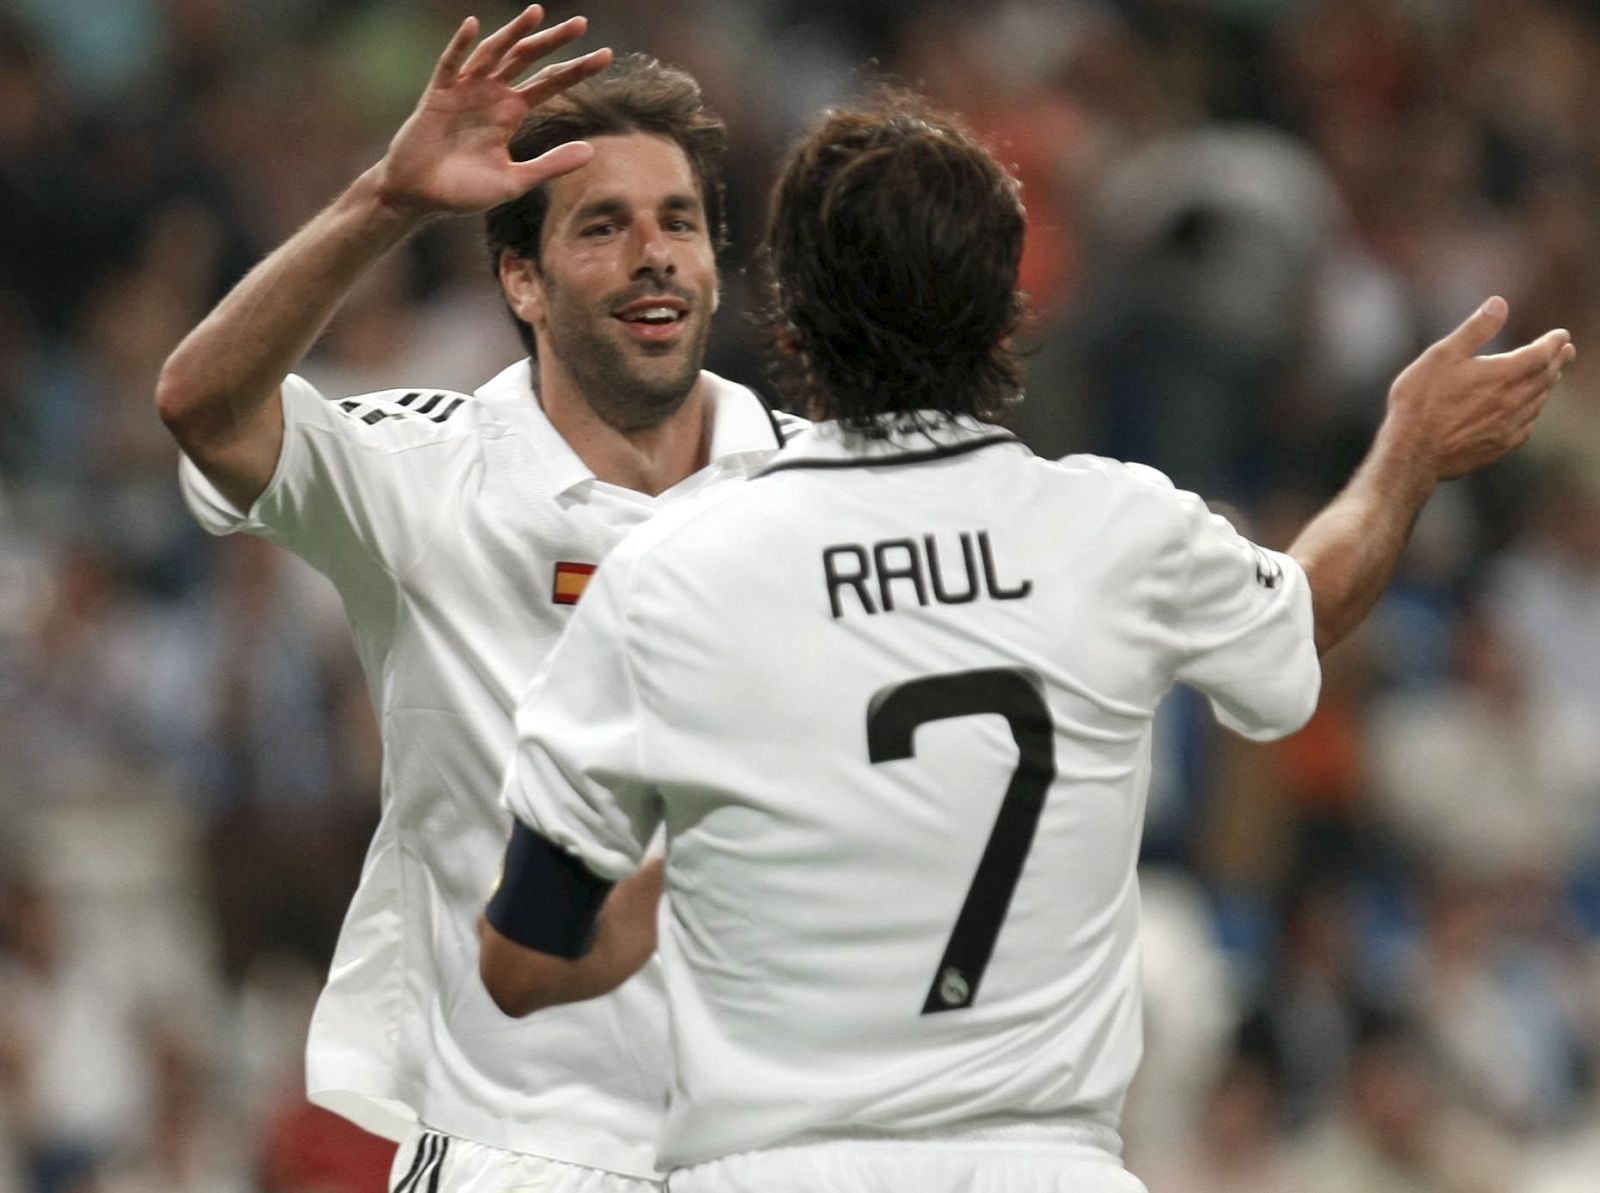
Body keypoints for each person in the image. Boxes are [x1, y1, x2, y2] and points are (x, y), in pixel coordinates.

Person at [478, 90, 1574, 1193]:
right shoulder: (1113, 530)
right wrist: (1409, 451)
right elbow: (1307, 606)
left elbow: (524, 956)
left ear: (789, 322)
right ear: (1008, 315)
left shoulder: (674, 569)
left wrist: (700, 879)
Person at [156, 8, 801, 1192]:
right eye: (602, 227)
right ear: (522, 276)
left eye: (680, 224)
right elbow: (204, 406)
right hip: (524, 1146)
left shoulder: (823, 489)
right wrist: (386, 202)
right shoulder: (425, 472)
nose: (654, 254)